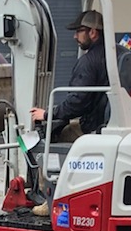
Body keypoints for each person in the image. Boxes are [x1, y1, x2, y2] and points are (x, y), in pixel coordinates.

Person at [30, 9, 108, 137]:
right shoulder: (120, 54)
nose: (75, 36)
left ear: (93, 32)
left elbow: (77, 102)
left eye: (79, 31)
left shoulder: (88, 62)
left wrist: (47, 114)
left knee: (57, 136)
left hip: (94, 127)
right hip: (109, 121)